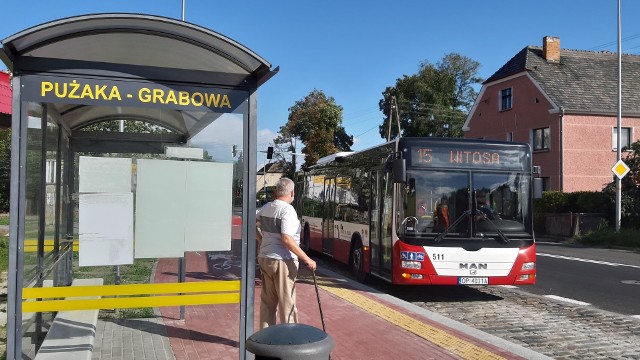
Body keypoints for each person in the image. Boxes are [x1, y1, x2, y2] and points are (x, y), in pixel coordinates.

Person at [256, 177, 317, 329]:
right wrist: (307, 259)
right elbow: (287, 239)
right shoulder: (287, 210)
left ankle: (266, 338)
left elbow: (252, 224)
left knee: (267, 303)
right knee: (287, 303)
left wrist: (261, 241)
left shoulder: (266, 208)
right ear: (292, 192)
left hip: (265, 257)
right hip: (283, 260)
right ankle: (289, 341)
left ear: (276, 191)